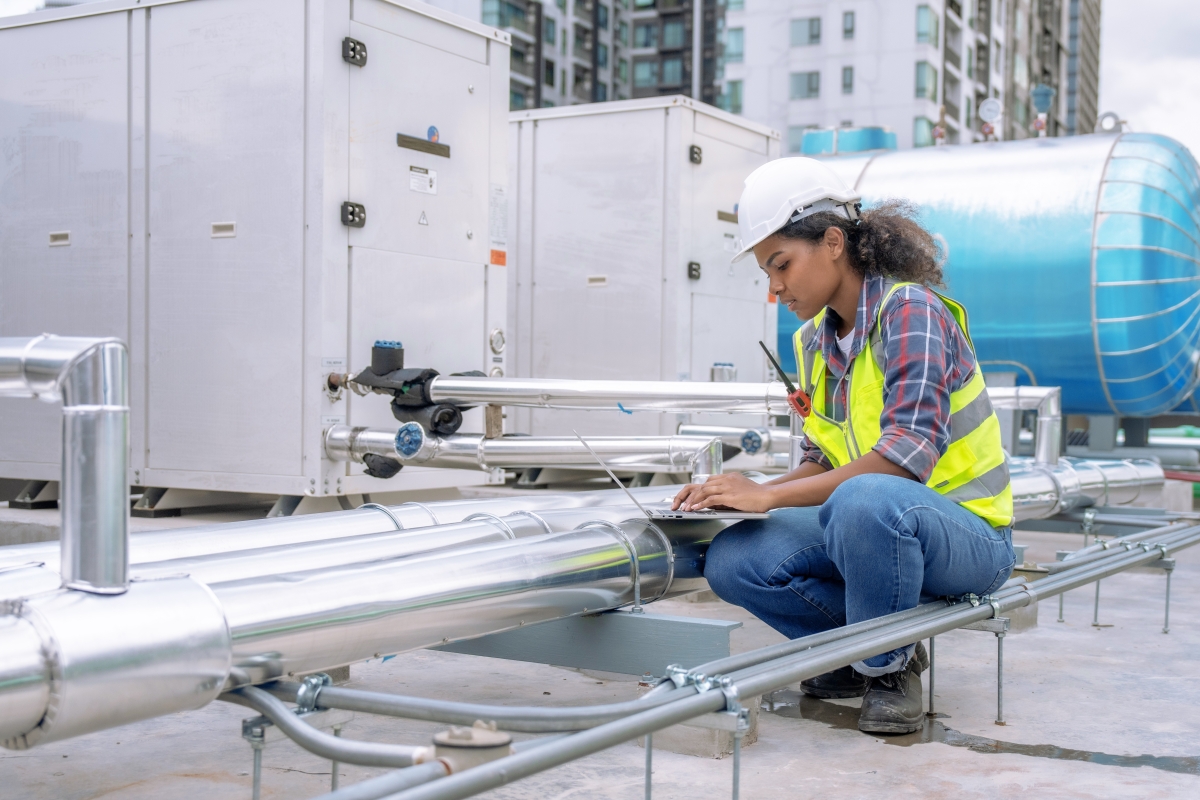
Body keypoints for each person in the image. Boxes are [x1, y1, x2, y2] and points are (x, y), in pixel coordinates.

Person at [671, 158, 1015, 735]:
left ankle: (888, 668)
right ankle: (852, 654)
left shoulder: (910, 313)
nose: (775, 287)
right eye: (766, 272)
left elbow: (905, 459)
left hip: (967, 534)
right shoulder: (813, 341)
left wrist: (770, 498)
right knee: (734, 559)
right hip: (873, 521)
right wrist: (742, 494)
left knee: (865, 501)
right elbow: (822, 456)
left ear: (833, 242)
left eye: (782, 265)